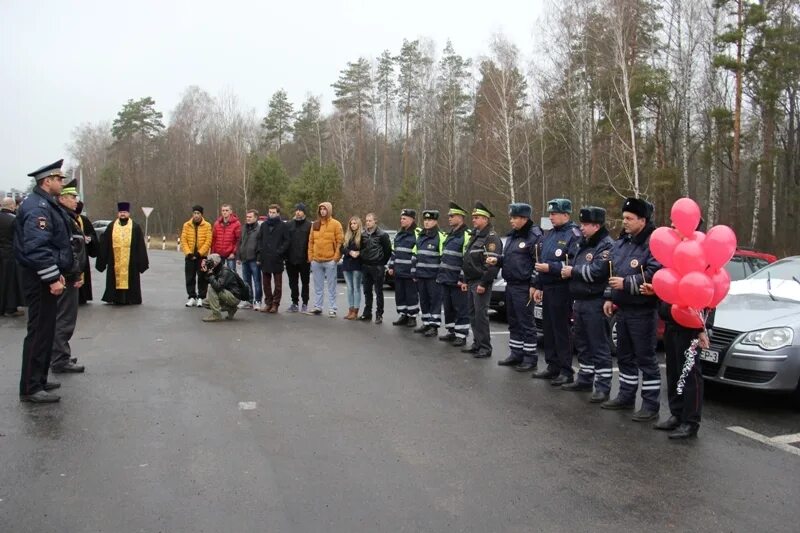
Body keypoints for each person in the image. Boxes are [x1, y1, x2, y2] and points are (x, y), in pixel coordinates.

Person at [15, 159, 74, 403]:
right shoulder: (37, 207)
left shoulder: (45, 204)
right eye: (58, 179)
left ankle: (38, 378)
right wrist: (51, 278)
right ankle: (30, 386)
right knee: (38, 331)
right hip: (38, 278)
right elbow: (37, 248)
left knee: (46, 330)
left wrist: (57, 272)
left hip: (44, 275)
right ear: (46, 181)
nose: (62, 182)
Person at [602, 197, 662, 422]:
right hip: (623, 309)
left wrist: (627, 284)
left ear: (642, 220)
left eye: (629, 218)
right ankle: (626, 396)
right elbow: (613, 270)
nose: (624, 222)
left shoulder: (654, 244)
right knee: (625, 357)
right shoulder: (623, 242)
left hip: (643, 311)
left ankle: (650, 404)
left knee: (645, 359)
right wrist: (609, 296)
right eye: (623, 218)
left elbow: (655, 273)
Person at [560, 207, 614, 401]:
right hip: (580, 300)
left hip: (595, 301)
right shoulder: (583, 243)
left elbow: (598, 271)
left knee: (598, 344)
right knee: (581, 342)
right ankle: (585, 378)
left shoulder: (606, 245)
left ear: (596, 225)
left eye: (585, 224)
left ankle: (603, 386)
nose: (581, 228)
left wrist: (573, 271)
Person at [532, 198, 582, 385]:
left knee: (561, 330)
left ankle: (565, 369)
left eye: (554, 214)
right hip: (548, 287)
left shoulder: (573, 235)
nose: (551, 217)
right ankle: (552, 365)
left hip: (562, 288)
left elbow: (572, 263)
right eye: (550, 214)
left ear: (566, 215)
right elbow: (540, 261)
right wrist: (538, 285)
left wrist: (551, 268)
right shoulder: (549, 235)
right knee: (549, 329)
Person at [492, 203, 543, 371]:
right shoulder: (513, 236)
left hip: (524, 286)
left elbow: (538, 263)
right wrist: (498, 260)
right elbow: (510, 258)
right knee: (513, 322)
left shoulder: (533, 236)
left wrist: (534, 285)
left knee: (526, 323)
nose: (511, 221)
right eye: (511, 217)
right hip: (511, 285)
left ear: (524, 218)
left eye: (514, 218)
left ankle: (530, 358)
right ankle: (516, 353)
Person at [51, 179, 87, 374]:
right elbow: (68, 250)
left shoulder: (67, 216)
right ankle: (59, 358)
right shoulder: (63, 218)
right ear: (63, 198)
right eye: (73, 197)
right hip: (67, 275)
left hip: (69, 273)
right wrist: (75, 273)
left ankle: (59, 353)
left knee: (62, 317)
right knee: (64, 318)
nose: (76, 200)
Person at [460, 202, 502, 359]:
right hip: (471, 281)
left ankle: (485, 347)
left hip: (480, 281)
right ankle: (477, 343)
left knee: (480, 315)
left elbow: (492, 264)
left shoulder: (491, 238)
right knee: (472, 314)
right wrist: (464, 279)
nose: (474, 220)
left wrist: (484, 283)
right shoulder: (475, 235)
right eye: (473, 217)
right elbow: (468, 260)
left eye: (477, 217)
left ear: (485, 219)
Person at [96, 202, 149, 305]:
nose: (122, 214)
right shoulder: (112, 226)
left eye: (124, 212)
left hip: (131, 262)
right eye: (120, 212)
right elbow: (105, 244)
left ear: (128, 213)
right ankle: (114, 297)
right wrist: (102, 260)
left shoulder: (135, 227)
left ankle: (131, 299)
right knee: (114, 279)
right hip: (114, 260)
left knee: (131, 279)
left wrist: (141, 262)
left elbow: (140, 246)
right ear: (118, 213)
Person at [436, 202, 471, 347]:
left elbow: (467, 259)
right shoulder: (449, 234)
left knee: (461, 308)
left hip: (457, 280)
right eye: (449, 216)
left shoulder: (466, 235)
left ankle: (461, 335)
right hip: (445, 278)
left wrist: (462, 279)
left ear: (461, 218)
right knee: (448, 307)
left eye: (452, 216)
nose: (449, 218)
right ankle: (451, 331)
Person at [306, 202, 343, 317]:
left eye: (324, 209)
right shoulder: (315, 224)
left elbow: (340, 242)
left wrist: (335, 258)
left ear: (329, 210)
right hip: (316, 260)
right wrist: (311, 257)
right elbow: (311, 241)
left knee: (331, 286)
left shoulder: (336, 224)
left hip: (330, 260)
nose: (322, 211)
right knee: (318, 286)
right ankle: (318, 306)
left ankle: (332, 308)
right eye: (321, 209)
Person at [412, 210, 446, 337]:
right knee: (424, 301)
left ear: (435, 221)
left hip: (434, 276)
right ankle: (426, 322)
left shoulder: (440, 236)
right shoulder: (420, 236)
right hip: (421, 275)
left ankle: (434, 325)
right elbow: (415, 256)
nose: (427, 222)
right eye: (425, 220)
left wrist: (440, 275)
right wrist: (414, 272)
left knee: (435, 302)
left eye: (430, 220)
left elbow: (443, 258)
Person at [388, 209, 421, 328]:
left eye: (404, 218)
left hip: (410, 272)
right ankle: (403, 314)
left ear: (412, 219)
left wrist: (415, 270)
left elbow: (418, 253)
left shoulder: (417, 233)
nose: (401, 220)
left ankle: (412, 317)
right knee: (400, 295)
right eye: (401, 218)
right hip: (399, 270)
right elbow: (394, 251)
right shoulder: (398, 234)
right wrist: (391, 266)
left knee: (411, 295)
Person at [358, 212, 392, 324]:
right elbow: (361, 249)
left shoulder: (382, 235)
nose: (368, 223)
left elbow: (388, 251)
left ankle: (379, 314)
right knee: (367, 291)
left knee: (378, 291)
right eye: (366, 221)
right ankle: (367, 313)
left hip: (377, 266)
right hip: (366, 266)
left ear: (375, 221)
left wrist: (382, 262)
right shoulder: (363, 235)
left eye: (370, 220)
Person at [256, 204, 289, 313]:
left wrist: (279, 252)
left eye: (274, 212)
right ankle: (268, 303)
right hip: (265, 257)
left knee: (278, 284)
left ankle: (275, 304)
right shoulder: (264, 225)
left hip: (277, 258)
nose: (271, 214)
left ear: (278, 213)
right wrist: (261, 252)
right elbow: (259, 239)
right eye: (270, 212)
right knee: (266, 283)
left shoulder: (283, 226)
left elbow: (287, 241)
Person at [180, 205, 213, 307]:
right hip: (189, 256)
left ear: (201, 214)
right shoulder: (186, 225)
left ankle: (201, 297)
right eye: (194, 213)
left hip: (201, 257)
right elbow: (183, 240)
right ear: (192, 214)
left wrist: (199, 253)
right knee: (190, 277)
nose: (196, 215)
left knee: (202, 278)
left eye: (198, 213)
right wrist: (188, 253)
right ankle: (192, 297)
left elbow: (208, 241)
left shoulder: (207, 225)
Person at [201, 253, 244, 322]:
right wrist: (205, 272)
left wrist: (210, 274)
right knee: (206, 303)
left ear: (215, 263)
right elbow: (207, 281)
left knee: (211, 288)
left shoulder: (225, 271)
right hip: (227, 294)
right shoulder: (215, 269)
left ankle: (216, 315)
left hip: (234, 296)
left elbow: (218, 287)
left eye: (210, 262)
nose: (208, 263)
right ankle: (230, 308)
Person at [286, 203, 312, 313]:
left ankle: (305, 303)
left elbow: (311, 242)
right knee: (293, 282)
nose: (298, 212)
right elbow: (285, 241)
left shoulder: (309, 225)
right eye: (296, 210)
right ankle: (294, 302)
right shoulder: (289, 224)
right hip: (290, 259)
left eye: (300, 210)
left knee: (305, 282)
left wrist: (310, 256)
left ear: (304, 212)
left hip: (304, 259)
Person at [0, 197, 25, 317]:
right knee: (10, 282)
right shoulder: (14, 220)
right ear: (11, 206)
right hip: (10, 254)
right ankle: (10, 307)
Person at [75, 201, 99, 305]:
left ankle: (82, 296)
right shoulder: (65, 218)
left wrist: (89, 239)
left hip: (82, 253)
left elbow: (92, 234)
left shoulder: (84, 220)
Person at [237, 209, 261, 309]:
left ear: (255, 218)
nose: (248, 219)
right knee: (246, 282)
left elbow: (260, 245)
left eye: (250, 217)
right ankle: (249, 301)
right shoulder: (243, 228)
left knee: (257, 281)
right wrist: (238, 256)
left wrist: (259, 258)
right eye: (247, 217)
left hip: (254, 259)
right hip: (244, 259)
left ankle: (258, 301)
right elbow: (240, 242)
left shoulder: (259, 230)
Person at [341, 216, 364, 320]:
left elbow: (366, 249)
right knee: (349, 288)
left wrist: (359, 253)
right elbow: (342, 248)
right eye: (351, 223)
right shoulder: (347, 235)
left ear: (358, 224)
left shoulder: (363, 236)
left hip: (357, 265)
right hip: (347, 264)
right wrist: (350, 252)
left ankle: (355, 311)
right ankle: (350, 310)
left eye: (355, 223)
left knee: (356, 288)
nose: (353, 225)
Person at [211, 203, 241, 272]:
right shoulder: (217, 223)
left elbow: (238, 240)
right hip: (218, 254)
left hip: (230, 254)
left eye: (227, 210)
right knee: (218, 274)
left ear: (231, 211)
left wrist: (234, 253)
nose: (224, 212)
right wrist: (212, 253)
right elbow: (214, 239)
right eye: (223, 210)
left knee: (231, 274)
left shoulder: (236, 223)